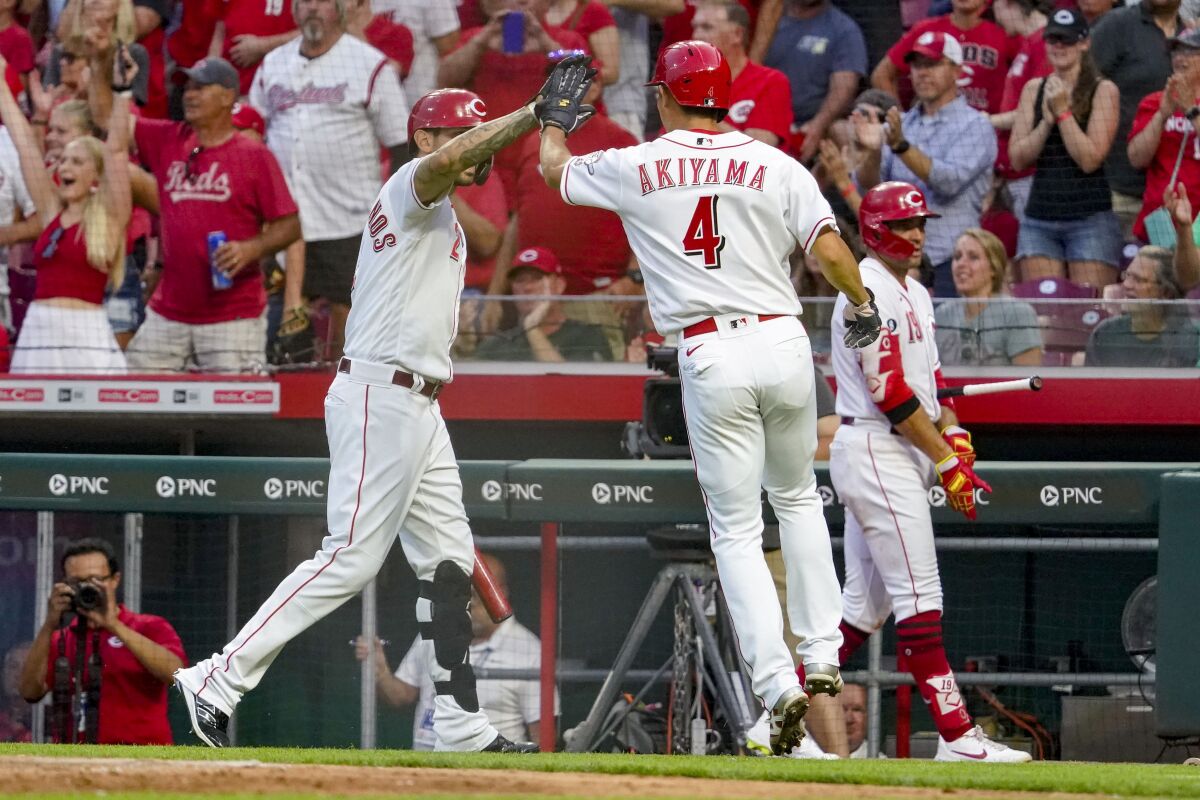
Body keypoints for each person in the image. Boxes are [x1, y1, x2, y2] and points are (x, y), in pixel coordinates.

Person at [173, 84, 556, 753]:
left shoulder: (443, 216)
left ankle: (461, 724)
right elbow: (445, 163)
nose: (470, 147)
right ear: (426, 139)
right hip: (382, 393)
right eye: (457, 134)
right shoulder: (412, 184)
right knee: (349, 557)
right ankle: (217, 678)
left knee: (445, 563)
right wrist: (526, 114)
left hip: (419, 402)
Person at [538, 43, 884, 755]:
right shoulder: (774, 161)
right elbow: (829, 250)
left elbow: (552, 171)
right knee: (796, 502)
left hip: (710, 349)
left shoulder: (638, 164)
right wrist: (861, 303)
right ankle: (821, 658)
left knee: (734, 530)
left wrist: (552, 120)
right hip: (784, 341)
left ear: (667, 95)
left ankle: (777, 683)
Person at [828, 180, 1031, 763]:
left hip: (902, 452)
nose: (916, 234)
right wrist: (946, 461)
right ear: (873, 231)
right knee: (922, 596)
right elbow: (889, 392)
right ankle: (957, 737)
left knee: (863, 610)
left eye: (919, 224)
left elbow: (935, 386)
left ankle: (774, 717)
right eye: (902, 225)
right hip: (876, 447)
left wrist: (958, 442)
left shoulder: (915, 291)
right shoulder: (861, 289)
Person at [114, 57, 302, 373]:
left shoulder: (254, 156)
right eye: (187, 87)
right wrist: (120, 89)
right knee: (138, 398)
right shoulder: (168, 139)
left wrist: (250, 249)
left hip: (233, 316)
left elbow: (291, 225)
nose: (189, 94)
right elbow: (113, 127)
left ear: (228, 96)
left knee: (233, 413)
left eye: (200, 88)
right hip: (169, 312)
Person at [251, 0, 409, 362]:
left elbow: (401, 145)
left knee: (350, 323)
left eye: (321, 1)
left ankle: (348, 392)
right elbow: (251, 132)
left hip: (349, 220)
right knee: (283, 328)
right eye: (304, 2)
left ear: (340, 9)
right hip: (285, 225)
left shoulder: (370, 64)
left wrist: (398, 217)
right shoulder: (273, 64)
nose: (311, 9)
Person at [3, 50, 131, 374]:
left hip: (86, 333)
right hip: (38, 330)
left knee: (92, 423)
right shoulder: (50, 214)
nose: (64, 167)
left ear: (96, 176)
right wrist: (1, 85)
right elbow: (24, 144)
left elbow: (116, 149)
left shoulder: (111, 216)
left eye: (77, 161)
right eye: (63, 161)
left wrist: (122, 93)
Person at [355, 553, 556, 748]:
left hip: (491, 770)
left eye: (477, 595)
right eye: (464, 595)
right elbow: (400, 696)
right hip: (428, 767)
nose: (471, 604)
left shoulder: (529, 650)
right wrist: (380, 670)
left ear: (499, 593)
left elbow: (542, 737)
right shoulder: (436, 630)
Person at [855, 31, 997, 297]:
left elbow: (949, 181)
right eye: (917, 65)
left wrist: (901, 147)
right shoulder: (901, 123)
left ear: (957, 70)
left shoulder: (976, 126)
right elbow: (869, 190)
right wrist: (873, 152)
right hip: (898, 259)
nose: (922, 73)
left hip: (952, 260)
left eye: (932, 64)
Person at [17, 538, 186, 745]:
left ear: (115, 579)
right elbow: (30, 691)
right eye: (77, 582)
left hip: (143, 757)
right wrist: (50, 623)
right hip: (77, 759)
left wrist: (113, 625)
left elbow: (176, 675)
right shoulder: (60, 639)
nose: (87, 587)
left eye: (95, 580)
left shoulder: (148, 627)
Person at [1008, 7, 1120, 288]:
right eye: (1053, 39)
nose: (1059, 46)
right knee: (1046, 312)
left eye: (1067, 40)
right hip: (1040, 217)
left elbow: (1090, 159)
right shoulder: (1034, 89)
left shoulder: (1104, 90)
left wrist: (1063, 115)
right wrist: (1046, 123)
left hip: (1090, 217)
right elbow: (1017, 158)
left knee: (1089, 311)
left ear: (1084, 43)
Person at [1090, 0, 1182, 236]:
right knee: (1120, 269)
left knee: (1161, 270)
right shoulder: (1117, 24)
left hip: (1170, 196)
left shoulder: (1189, 35)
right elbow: (1082, 85)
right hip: (1118, 189)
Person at [763, 0, 867, 163]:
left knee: (842, 131)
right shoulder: (768, 20)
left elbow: (845, 87)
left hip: (808, 124)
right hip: (763, 120)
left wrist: (818, 125)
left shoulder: (844, 29)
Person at [872, 0, 1011, 114]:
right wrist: (901, 119)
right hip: (934, 130)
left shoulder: (1005, 34)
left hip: (990, 130)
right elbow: (881, 75)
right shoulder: (926, 29)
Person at [476, 246, 614, 361]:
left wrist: (532, 328)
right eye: (520, 280)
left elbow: (566, 387)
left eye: (537, 278)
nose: (527, 287)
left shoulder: (587, 337)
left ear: (559, 285)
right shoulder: (495, 347)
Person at [1128, 29, 1200, 245]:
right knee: (1153, 277)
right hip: (1161, 221)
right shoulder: (1155, 101)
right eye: (1176, 52)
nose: (1180, 58)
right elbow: (1136, 158)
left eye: (1190, 51)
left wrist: (1191, 110)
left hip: (1198, 224)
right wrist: (1161, 115)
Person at [691, 1, 792, 149]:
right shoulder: (690, 83)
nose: (696, 35)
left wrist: (697, 116)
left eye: (707, 27)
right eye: (694, 27)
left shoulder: (771, 82)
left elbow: (760, 150)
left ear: (737, 34)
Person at [935, 228, 1043, 365]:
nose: (961, 264)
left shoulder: (1018, 313)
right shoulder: (942, 314)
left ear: (994, 267)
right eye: (957, 257)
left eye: (973, 257)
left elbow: (1029, 379)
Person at [1086, 246, 1199, 367]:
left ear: (1166, 292)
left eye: (1139, 280)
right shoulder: (1105, 334)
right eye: (1127, 275)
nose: (1126, 284)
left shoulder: (1191, 341)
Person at [990, 0, 1051, 222]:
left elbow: (1040, 109)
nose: (995, 20)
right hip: (1012, 171)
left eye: (995, 9)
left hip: (1032, 172)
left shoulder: (1047, 42)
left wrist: (985, 120)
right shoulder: (1028, 41)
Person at [0, 642, 32, 742]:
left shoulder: (45, 725)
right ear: (3, 674)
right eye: (13, 666)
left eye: (27, 667)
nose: (19, 674)